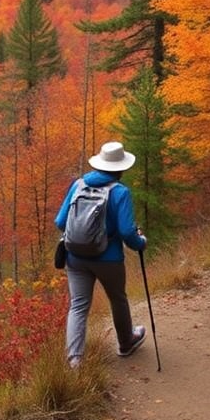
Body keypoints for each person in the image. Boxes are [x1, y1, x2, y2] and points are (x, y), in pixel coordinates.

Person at [54, 140, 147, 369]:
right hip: (109, 259)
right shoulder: (120, 192)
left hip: (75, 257)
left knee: (78, 306)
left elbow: (59, 222)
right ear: (120, 168)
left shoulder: (78, 185)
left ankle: (75, 361)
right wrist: (140, 242)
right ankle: (126, 343)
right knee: (118, 299)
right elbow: (127, 231)